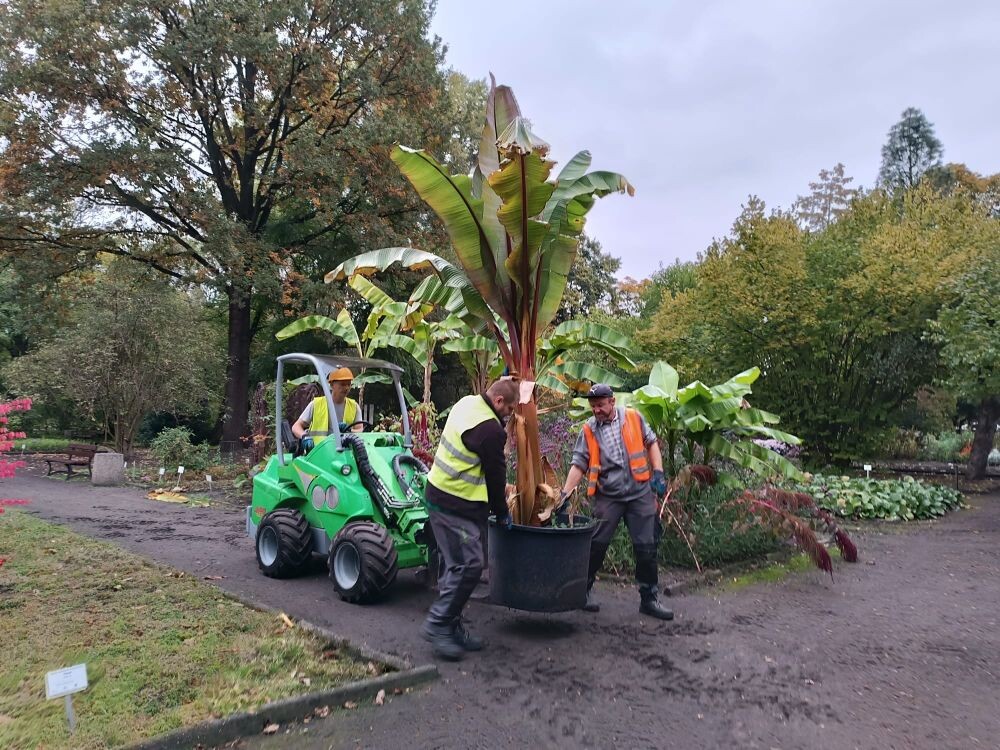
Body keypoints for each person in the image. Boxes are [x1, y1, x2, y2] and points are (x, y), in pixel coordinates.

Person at [557, 383, 673, 620]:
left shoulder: (633, 417)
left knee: (646, 547)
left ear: (612, 401)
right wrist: (564, 494)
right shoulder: (589, 430)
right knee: (596, 545)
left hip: (639, 493)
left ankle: (649, 598)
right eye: (593, 407)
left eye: (600, 405)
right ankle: (582, 591)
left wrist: (659, 473)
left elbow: (652, 443)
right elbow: (579, 463)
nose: (596, 410)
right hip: (608, 496)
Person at [421, 378, 518, 660]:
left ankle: (451, 628)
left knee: (455, 566)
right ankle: (438, 623)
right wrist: (502, 513)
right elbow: (496, 476)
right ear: (498, 402)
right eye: (509, 409)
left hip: (442, 496)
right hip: (453, 503)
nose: (509, 415)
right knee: (470, 564)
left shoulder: (467, 403)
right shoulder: (490, 431)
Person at [291, 367, 364, 450]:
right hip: (318, 454)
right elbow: (296, 427)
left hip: (344, 455)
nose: (347, 388)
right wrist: (305, 437)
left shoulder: (354, 406)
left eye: (349, 384)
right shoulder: (316, 404)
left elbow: (360, 430)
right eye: (343, 384)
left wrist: (349, 430)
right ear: (332, 384)